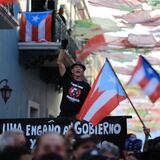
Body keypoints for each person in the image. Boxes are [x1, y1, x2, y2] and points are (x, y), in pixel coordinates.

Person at [57, 39, 91, 117]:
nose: (78, 69)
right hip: (63, 116)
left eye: (80, 68)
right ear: (72, 70)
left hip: (77, 119)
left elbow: (89, 103)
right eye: (76, 67)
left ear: (83, 71)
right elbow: (60, 63)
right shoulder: (67, 79)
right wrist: (63, 48)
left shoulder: (86, 86)